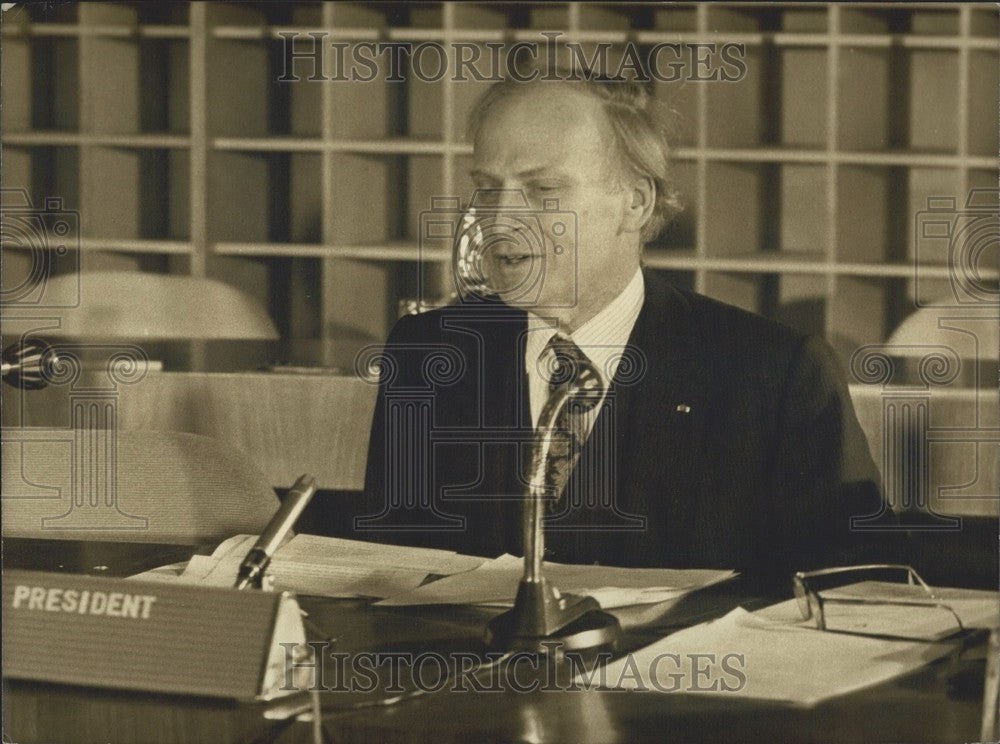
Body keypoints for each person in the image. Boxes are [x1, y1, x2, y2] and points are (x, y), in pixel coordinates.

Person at [351, 74, 899, 588]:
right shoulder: (428, 354)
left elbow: (855, 595)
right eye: (488, 189)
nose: (500, 221)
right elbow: (393, 574)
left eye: (542, 191)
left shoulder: (774, 374)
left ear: (634, 202)